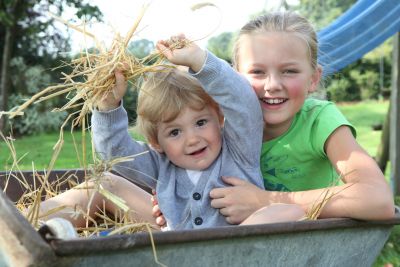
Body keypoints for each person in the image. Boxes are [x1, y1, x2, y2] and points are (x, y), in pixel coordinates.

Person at [37, 35, 305, 232]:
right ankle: (27, 228)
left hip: (234, 250)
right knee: (102, 181)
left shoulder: (238, 151)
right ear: (156, 142)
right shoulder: (160, 165)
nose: (192, 138)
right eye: (175, 131)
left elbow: (244, 104)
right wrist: (107, 107)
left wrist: (201, 62)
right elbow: (114, 152)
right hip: (175, 249)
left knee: (288, 211)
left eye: (201, 122)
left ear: (219, 117)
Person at [152, 11, 395, 227]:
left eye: (289, 71)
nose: (273, 85)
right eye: (257, 72)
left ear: (313, 78)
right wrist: (174, 201)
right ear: (235, 78)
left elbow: (378, 200)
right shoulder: (221, 130)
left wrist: (264, 200)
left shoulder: (319, 121)